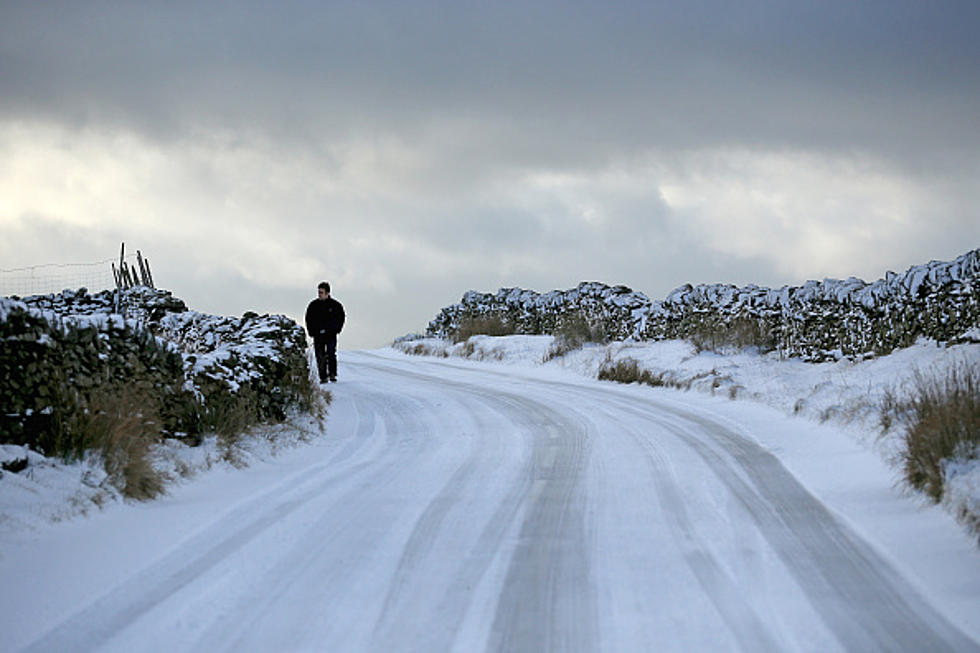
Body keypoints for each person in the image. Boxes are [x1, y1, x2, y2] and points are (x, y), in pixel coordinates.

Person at [305, 281, 345, 383]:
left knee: (331, 354)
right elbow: (308, 318)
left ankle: (332, 374)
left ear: (327, 293)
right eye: (318, 292)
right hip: (318, 335)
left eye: (321, 292)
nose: (319, 294)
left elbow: (341, 318)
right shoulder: (313, 305)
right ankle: (323, 376)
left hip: (331, 334)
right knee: (320, 355)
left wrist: (336, 329)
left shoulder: (335, 306)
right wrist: (312, 331)